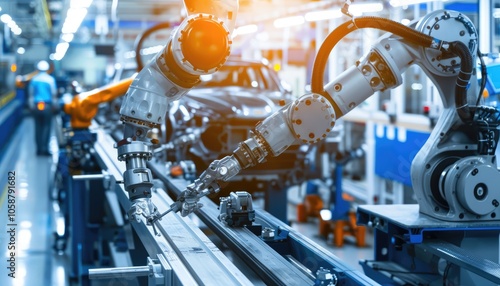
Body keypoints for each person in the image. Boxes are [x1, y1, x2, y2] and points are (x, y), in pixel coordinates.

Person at [29, 60, 58, 155]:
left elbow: (31, 95)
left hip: (36, 105)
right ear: (47, 69)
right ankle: (45, 149)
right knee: (47, 126)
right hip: (47, 105)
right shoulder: (50, 80)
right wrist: (54, 106)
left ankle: (38, 149)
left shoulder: (34, 79)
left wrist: (31, 106)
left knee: (38, 127)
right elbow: (53, 95)